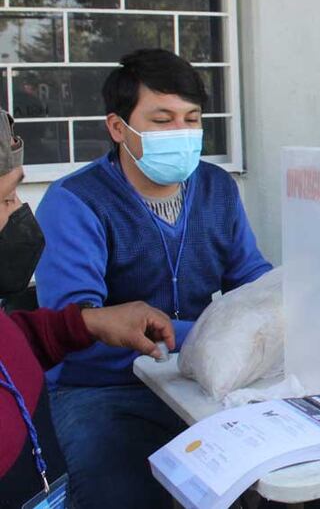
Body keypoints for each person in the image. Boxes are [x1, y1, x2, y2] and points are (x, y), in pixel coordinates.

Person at [34, 49, 273, 509]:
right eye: (162, 120)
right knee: (122, 492)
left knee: (263, 484)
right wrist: (210, 335)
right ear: (118, 128)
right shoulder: (74, 202)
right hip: (106, 390)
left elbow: (252, 280)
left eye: (191, 118)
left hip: (207, 378)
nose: (181, 133)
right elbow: (78, 324)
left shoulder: (217, 187)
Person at [0, 108, 177, 508]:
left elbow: (10, 342)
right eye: (7, 196)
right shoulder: (78, 198)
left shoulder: (215, 186)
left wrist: (88, 323)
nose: (17, 212)